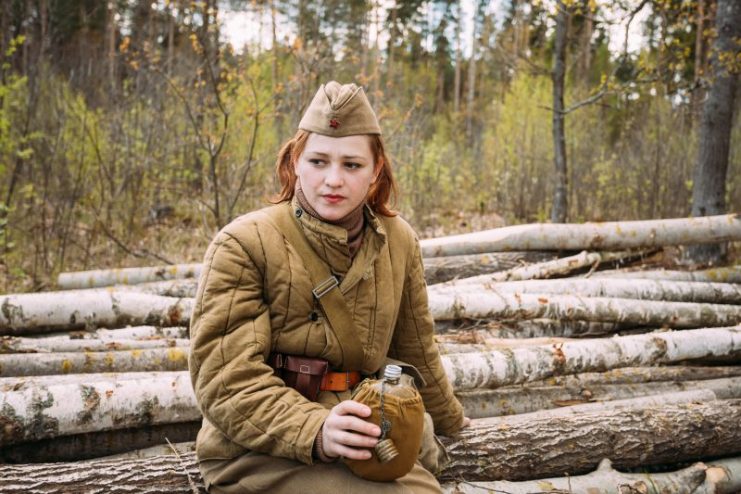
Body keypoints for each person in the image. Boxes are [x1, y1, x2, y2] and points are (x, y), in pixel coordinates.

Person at [189, 81, 467, 493]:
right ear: (295, 161)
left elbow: (417, 350)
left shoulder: (398, 240)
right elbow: (226, 379)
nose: (333, 180)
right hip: (258, 449)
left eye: (351, 165)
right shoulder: (244, 243)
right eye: (319, 161)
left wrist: (452, 423)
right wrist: (316, 429)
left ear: (375, 171)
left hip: (368, 434)